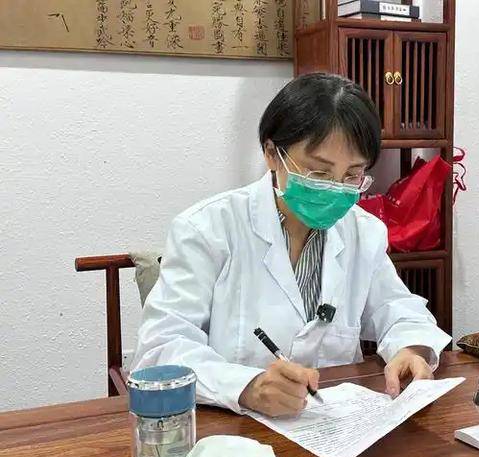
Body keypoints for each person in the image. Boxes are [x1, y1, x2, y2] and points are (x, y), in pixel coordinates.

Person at [131, 73, 451, 417]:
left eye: (352, 175)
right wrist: (246, 387)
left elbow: (398, 309)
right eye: (319, 173)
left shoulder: (363, 232)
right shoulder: (208, 229)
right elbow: (161, 348)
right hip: (234, 428)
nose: (335, 188)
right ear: (272, 154)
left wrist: (411, 349)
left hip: (335, 426)